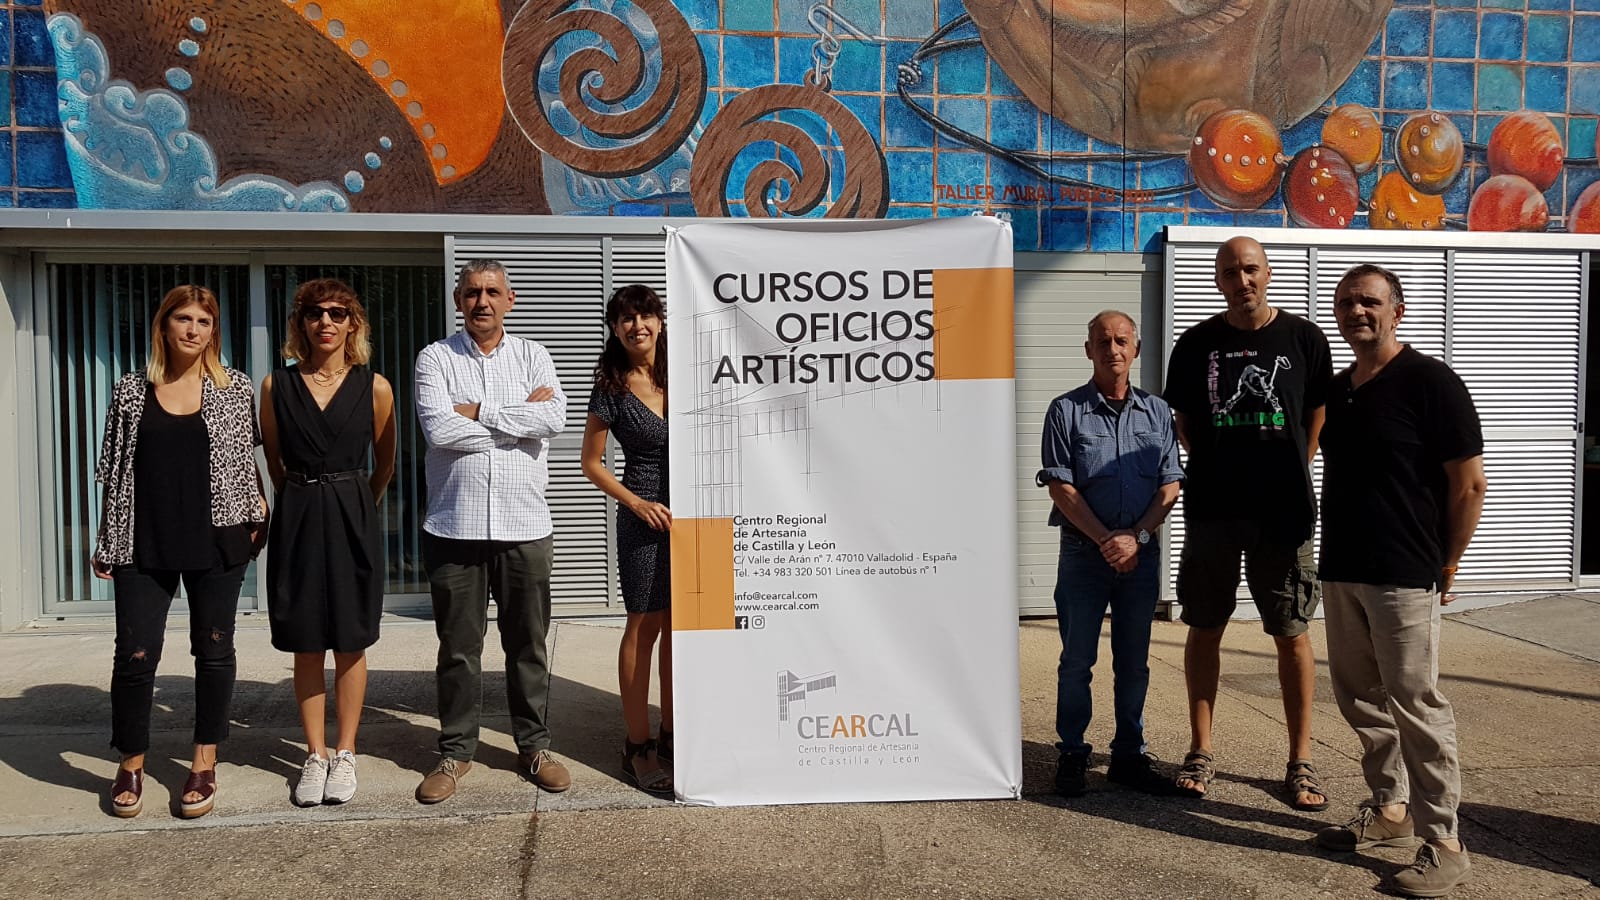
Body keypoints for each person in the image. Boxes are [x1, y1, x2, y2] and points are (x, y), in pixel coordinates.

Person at [1313, 265, 1486, 897]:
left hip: (1404, 571)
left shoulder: (1430, 381)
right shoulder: (1339, 390)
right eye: (1346, 303)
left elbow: (1468, 484)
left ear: (1397, 310)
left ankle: (1444, 842)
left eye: (1370, 302)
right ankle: (1390, 809)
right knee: (1359, 697)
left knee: (1415, 702)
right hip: (1343, 569)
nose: (1357, 312)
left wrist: (1447, 563)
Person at [1162, 235, 1333, 809]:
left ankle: (1301, 760)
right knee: (1205, 625)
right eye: (1231, 272)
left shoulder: (1305, 339)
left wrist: (1292, 464)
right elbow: (1186, 423)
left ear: (1268, 272)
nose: (1243, 281)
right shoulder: (1196, 344)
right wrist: (1223, 464)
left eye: (1251, 269)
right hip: (1213, 510)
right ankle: (1201, 749)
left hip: (1284, 513)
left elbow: (1316, 417)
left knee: (1291, 632)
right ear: (1218, 280)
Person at [91, 285, 267, 819]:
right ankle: (131, 762)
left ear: (214, 331)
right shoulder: (131, 390)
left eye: (204, 321)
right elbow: (114, 471)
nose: (193, 330)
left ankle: (204, 760)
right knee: (135, 655)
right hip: (143, 542)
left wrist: (256, 518)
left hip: (218, 538)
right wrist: (106, 538)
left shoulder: (234, 387)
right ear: (163, 326)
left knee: (213, 651)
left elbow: (245, 462)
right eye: (183, 319)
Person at [412, 259, 571, 803]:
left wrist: (478, 412)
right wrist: (516, 425)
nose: (482, 301)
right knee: (459, 650)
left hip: (525, 526)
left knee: (528, 645)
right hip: (454, 529)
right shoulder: (436, 358)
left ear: (510, 299)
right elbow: (438, 429)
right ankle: (456, 752)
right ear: (459, 299)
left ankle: (535, 747)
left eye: (492, 292)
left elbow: (555, 420)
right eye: (473, 292)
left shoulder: (533, 355)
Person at [260, 278, 397, 807]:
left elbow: (384, 464)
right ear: (301, 322)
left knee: (350, 638)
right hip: (298, 511)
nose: (326, 322)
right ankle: (314, 754)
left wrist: (356, 504)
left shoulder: (375, 386)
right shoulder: (276, 385)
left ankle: (346, 751)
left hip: (351, 512)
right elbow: (274, 460)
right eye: (315, 313)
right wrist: (300, 497)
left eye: (338, 313)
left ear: (352, 323)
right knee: (306, 638)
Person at [1037, 311, 1183, 797]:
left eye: (1122, 340)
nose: (1112, 349)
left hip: (1140, 559)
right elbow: (1061, 487)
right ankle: (1073, 753)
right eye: (1103, 341)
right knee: (1077, 661)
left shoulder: (1157, 413)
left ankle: (1128, 756)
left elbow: (1170, 485)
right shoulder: (1065, 411)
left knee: (1134, 663)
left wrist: (1135, 538)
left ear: (1135, 350)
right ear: (1088, 350)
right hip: (1083, 557)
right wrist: (1108, 540)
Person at [580, 284, 674, 796]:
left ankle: (672, 733)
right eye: (626, 319)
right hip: (644, 517)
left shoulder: (687, 370)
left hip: (697, 516)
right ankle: (637, 746)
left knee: (683, 627)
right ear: (615, 330)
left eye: (645, 315)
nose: (637, 325)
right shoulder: (611, 388)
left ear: (659, 320)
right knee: (645, 624)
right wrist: (636, 504)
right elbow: (591, 463)